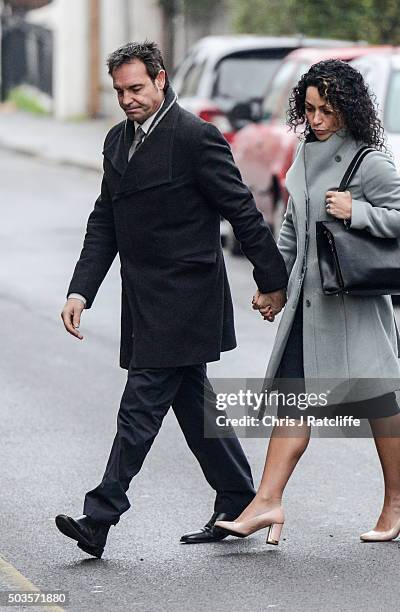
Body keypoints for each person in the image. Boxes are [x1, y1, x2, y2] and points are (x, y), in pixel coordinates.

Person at [55, 41, 287, 558]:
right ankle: (238, 500)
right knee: (192, 403)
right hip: (144, 299)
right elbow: (105, 223)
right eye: (119, 91)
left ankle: (100, 516)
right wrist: (80, 289)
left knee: (140, 408)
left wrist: (272, 279)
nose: (127, 99)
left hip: (187, 297)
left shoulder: (195, 137)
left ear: (161, 79)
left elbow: (242, 211)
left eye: (136, 88)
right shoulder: (118, 141)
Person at [216, 59, 400, 544]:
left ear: (348, 110)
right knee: (294, 402)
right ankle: (267, 502)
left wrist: (360, 211)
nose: (317, 120)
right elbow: (291, 229)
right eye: (309, 110)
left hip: (353, 311)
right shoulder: (306, 154)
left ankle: (399, 499)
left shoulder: (368, 159)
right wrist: (275, 286)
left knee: (379, 404)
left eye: (326, 110)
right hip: (308, 312)